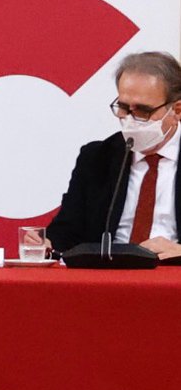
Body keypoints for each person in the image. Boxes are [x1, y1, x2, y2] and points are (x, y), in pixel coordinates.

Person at [44, 50, 181, 257]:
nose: (130, 119)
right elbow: (67, 232)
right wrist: (45, 243)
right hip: (110, 269)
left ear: (177, 110)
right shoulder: (97, 157)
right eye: (124, 108)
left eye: (143, 111)